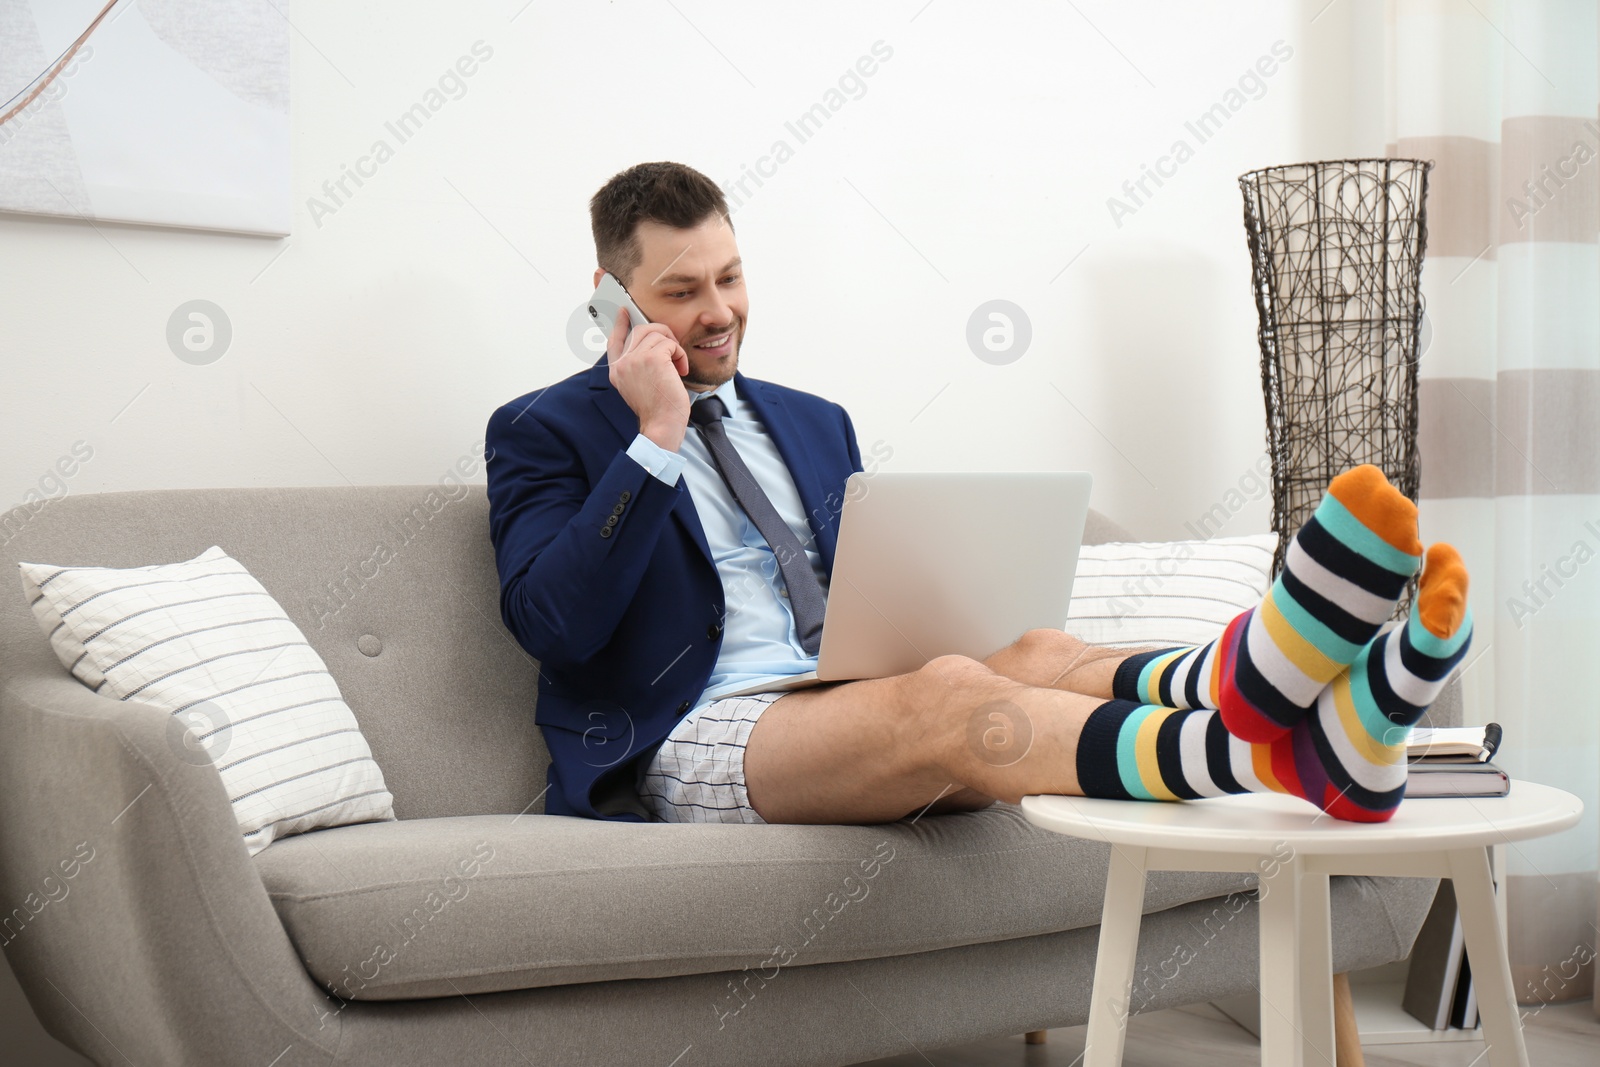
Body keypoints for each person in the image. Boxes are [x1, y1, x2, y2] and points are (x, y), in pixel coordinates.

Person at [485, 161, 1472, 829]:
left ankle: (1279, 702)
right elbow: (553, 624)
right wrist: (655, 437)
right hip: (697, 732)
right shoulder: (546, 430)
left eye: (731, 277)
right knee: (956, 695)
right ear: (613, 301)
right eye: (679, 291)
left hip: (835, 693)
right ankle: (1269, 743)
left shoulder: (812, 418)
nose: (717, 312)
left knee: (1042, 648)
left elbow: (867, 596)